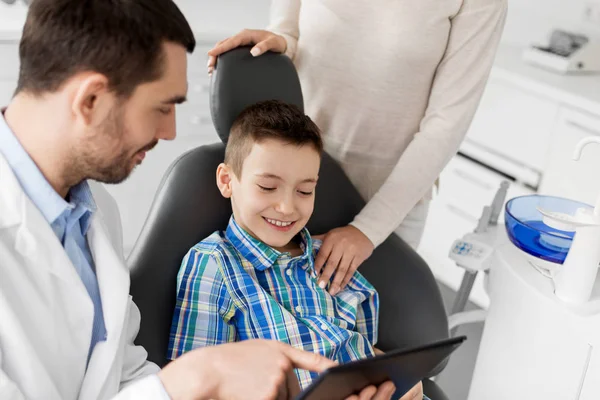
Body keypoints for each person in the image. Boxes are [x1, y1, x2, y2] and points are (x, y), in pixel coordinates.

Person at [0, 1, 379, 399]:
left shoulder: (92, 212)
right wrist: (191, 379)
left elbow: (122, 373)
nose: (169, 130)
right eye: (162, 107)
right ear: (91, 99)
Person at [207, 0, 508, 295]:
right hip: (292, 186)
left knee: (365, 338)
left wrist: (367, 231)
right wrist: (279, 44)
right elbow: (289, 34)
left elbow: (446, 123)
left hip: (386, 202)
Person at [168, 100, 423, 400]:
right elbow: (198, 389)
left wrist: (401, 376)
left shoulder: (324, 256)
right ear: (227, 181)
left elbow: (359, 342)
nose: (287, 207)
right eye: (267, 187)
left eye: (304, 191)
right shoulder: (214, 265)